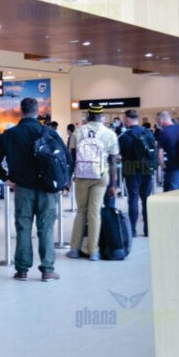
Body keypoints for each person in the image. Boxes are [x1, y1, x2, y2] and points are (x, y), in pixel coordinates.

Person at [0, 98, 71, 282]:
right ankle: (48, 270)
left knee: (23, 228)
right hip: (47, 190)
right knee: (46, 228)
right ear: (37, 111)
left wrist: (6, 179)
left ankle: (22, 270)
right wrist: (63, 182)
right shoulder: (49, 132)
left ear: (21, 111)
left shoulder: (10, 134)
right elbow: (66, 158)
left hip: (23, 188)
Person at [66, 104, 120, 261]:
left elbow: (73, 158)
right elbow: (113, 161)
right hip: (101, 176)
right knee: (94, 212)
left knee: (81, 211)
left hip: (81, 176)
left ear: (88, 116)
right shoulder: (110, 134)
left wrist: (69, 179)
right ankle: (93, 251)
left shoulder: (78, 132)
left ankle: (75, 249)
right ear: (102, 116)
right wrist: (113, 184)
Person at [118, 109, 156, 237]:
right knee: (146, 199)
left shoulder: (124, 137)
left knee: (133, 199)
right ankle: (148, 230)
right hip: (147, 168)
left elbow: (119, 155)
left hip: (131, 168)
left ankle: (132, 230)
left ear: (128, 120)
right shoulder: (148, 133)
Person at [156, 111, 179, 191]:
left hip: (171, 168)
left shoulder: (163, 133)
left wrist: (163, 166)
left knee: (170, 193)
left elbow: (160, 155)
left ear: (160, 120)